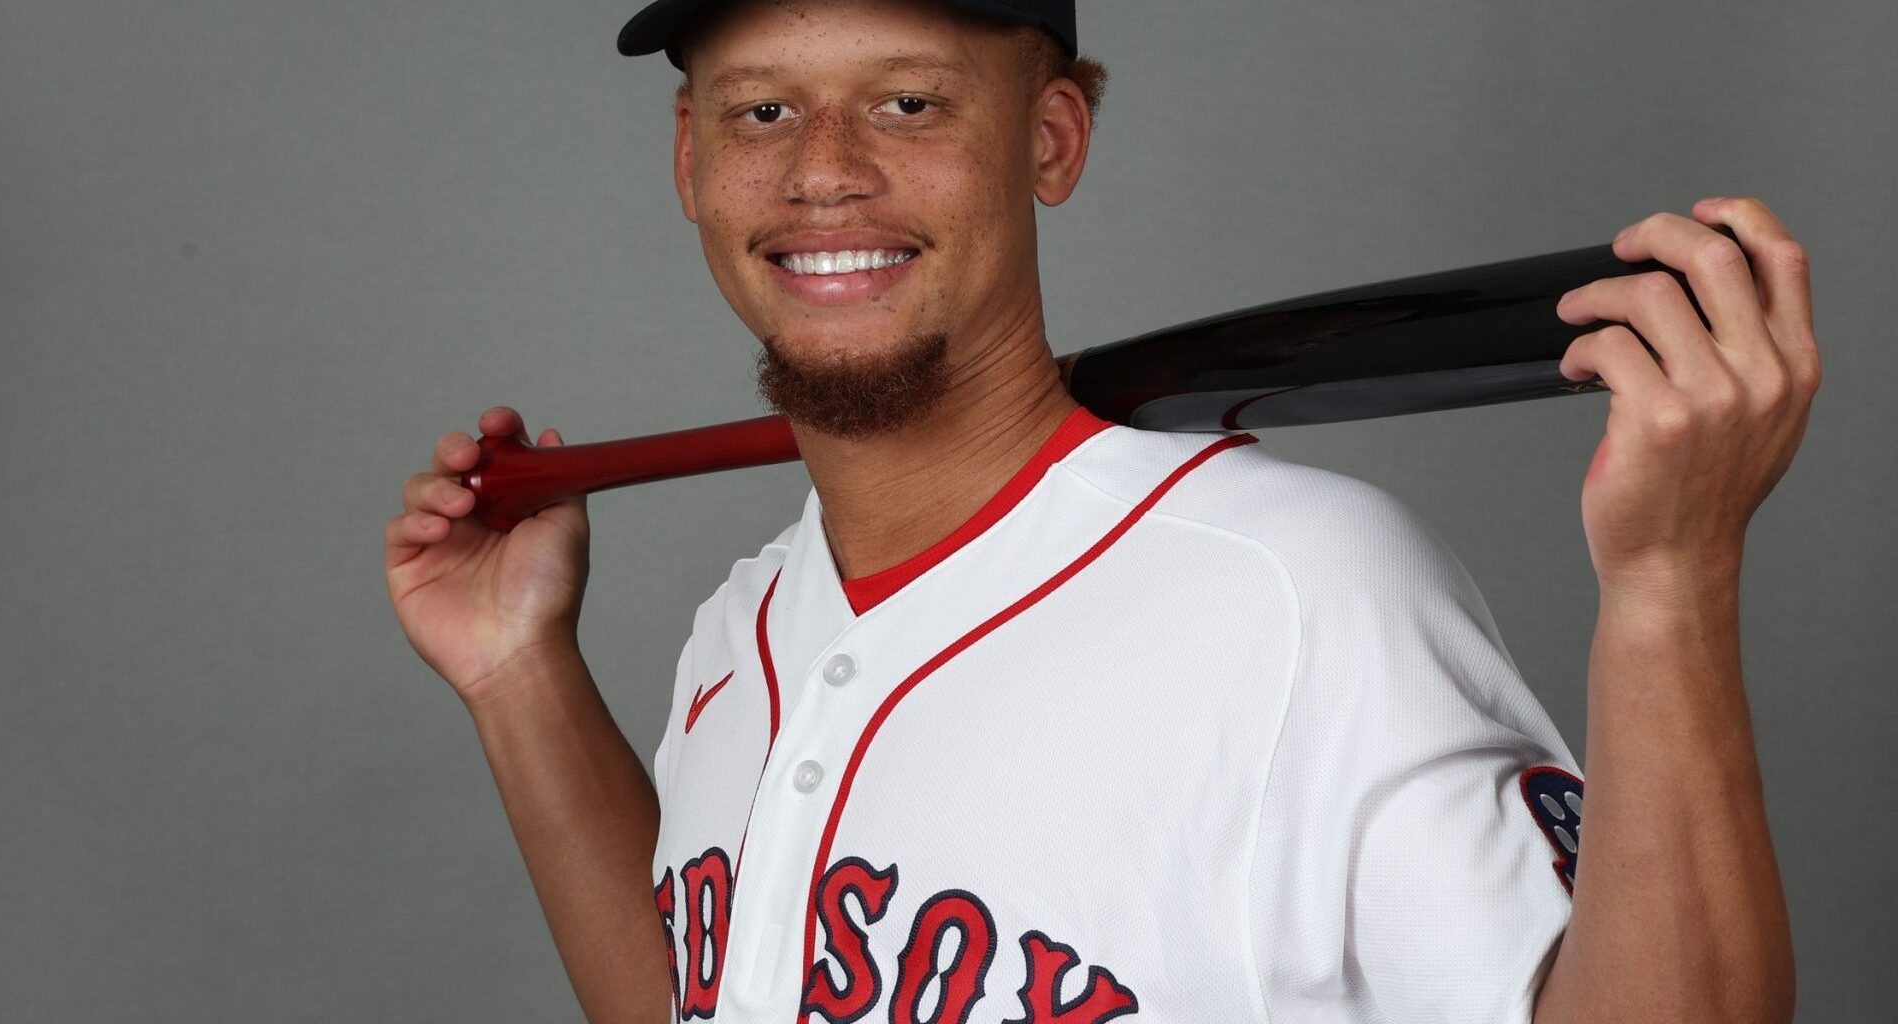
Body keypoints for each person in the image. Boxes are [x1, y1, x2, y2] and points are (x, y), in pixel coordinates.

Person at [383, 1, 1818, 1021]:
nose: (823, 169)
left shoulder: (1301, 589)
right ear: (690, 159)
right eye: (764, 109)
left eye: (909, 102)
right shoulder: (740, 627)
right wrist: (519, 679)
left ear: (1053, 141)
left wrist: (1672, 582)